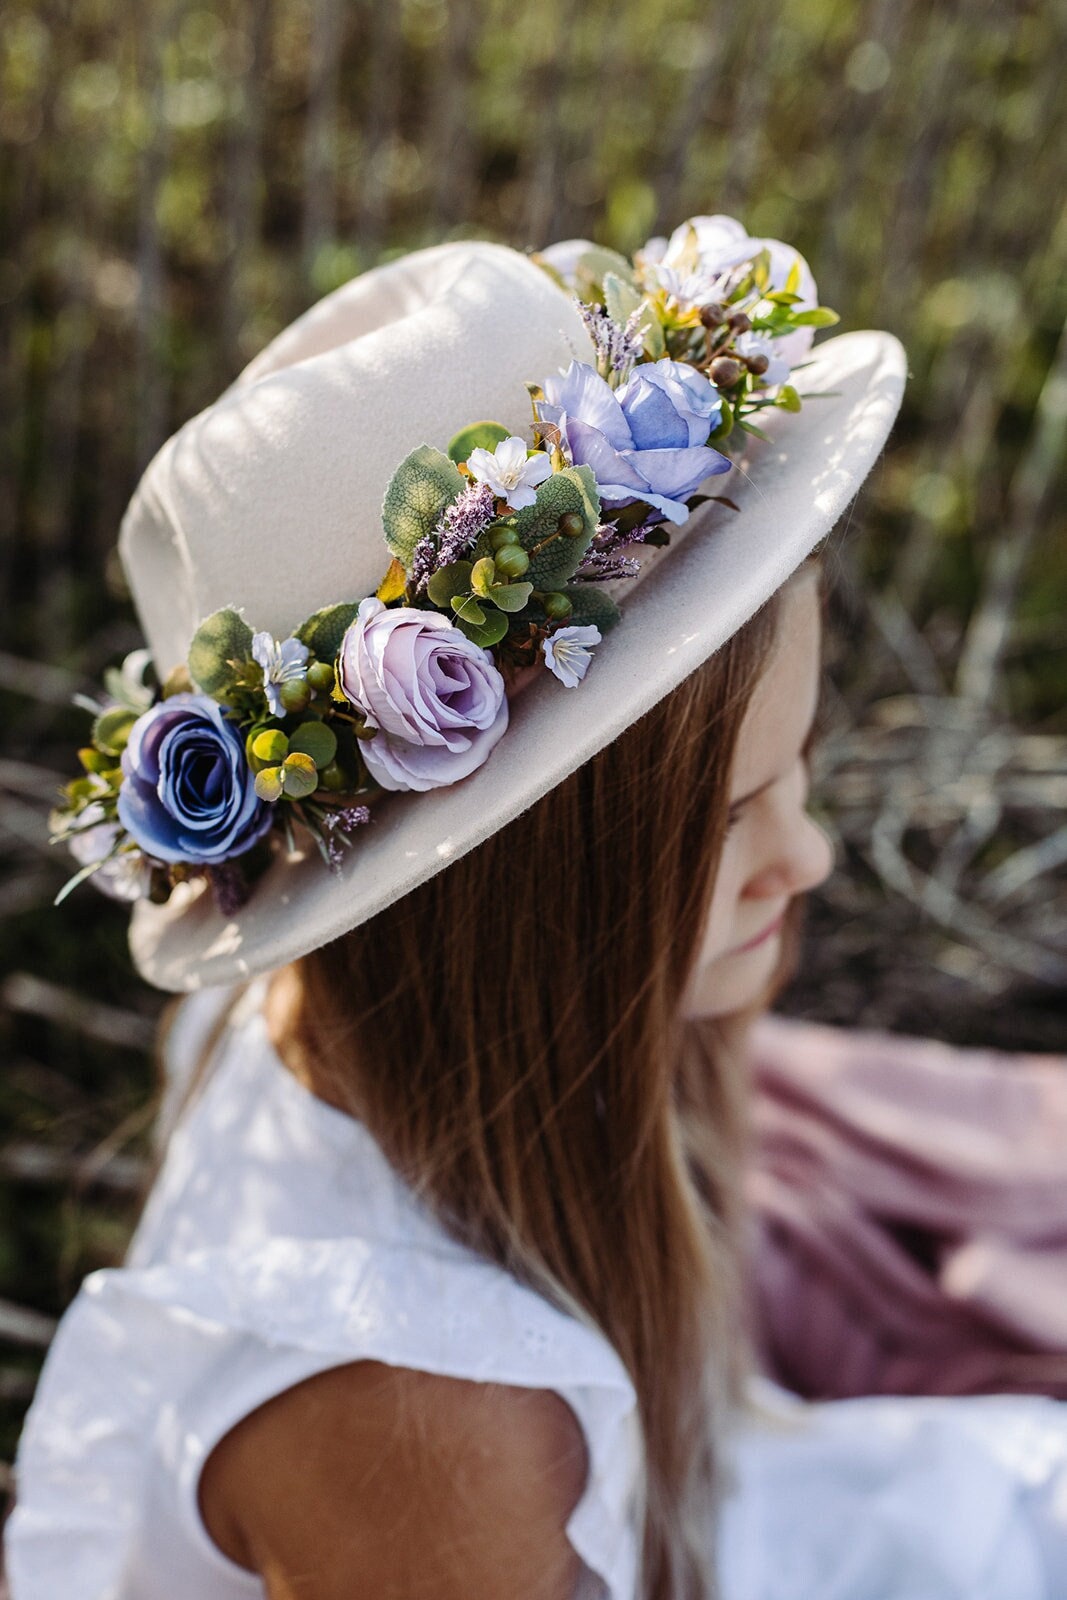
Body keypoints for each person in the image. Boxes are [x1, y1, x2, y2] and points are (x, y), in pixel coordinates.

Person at [6, 234, 1067, 1600]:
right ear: (508, 910)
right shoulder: (441, 1433)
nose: (806, 860)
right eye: (738, 818)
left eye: (797, 774)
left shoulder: (340, 1008)